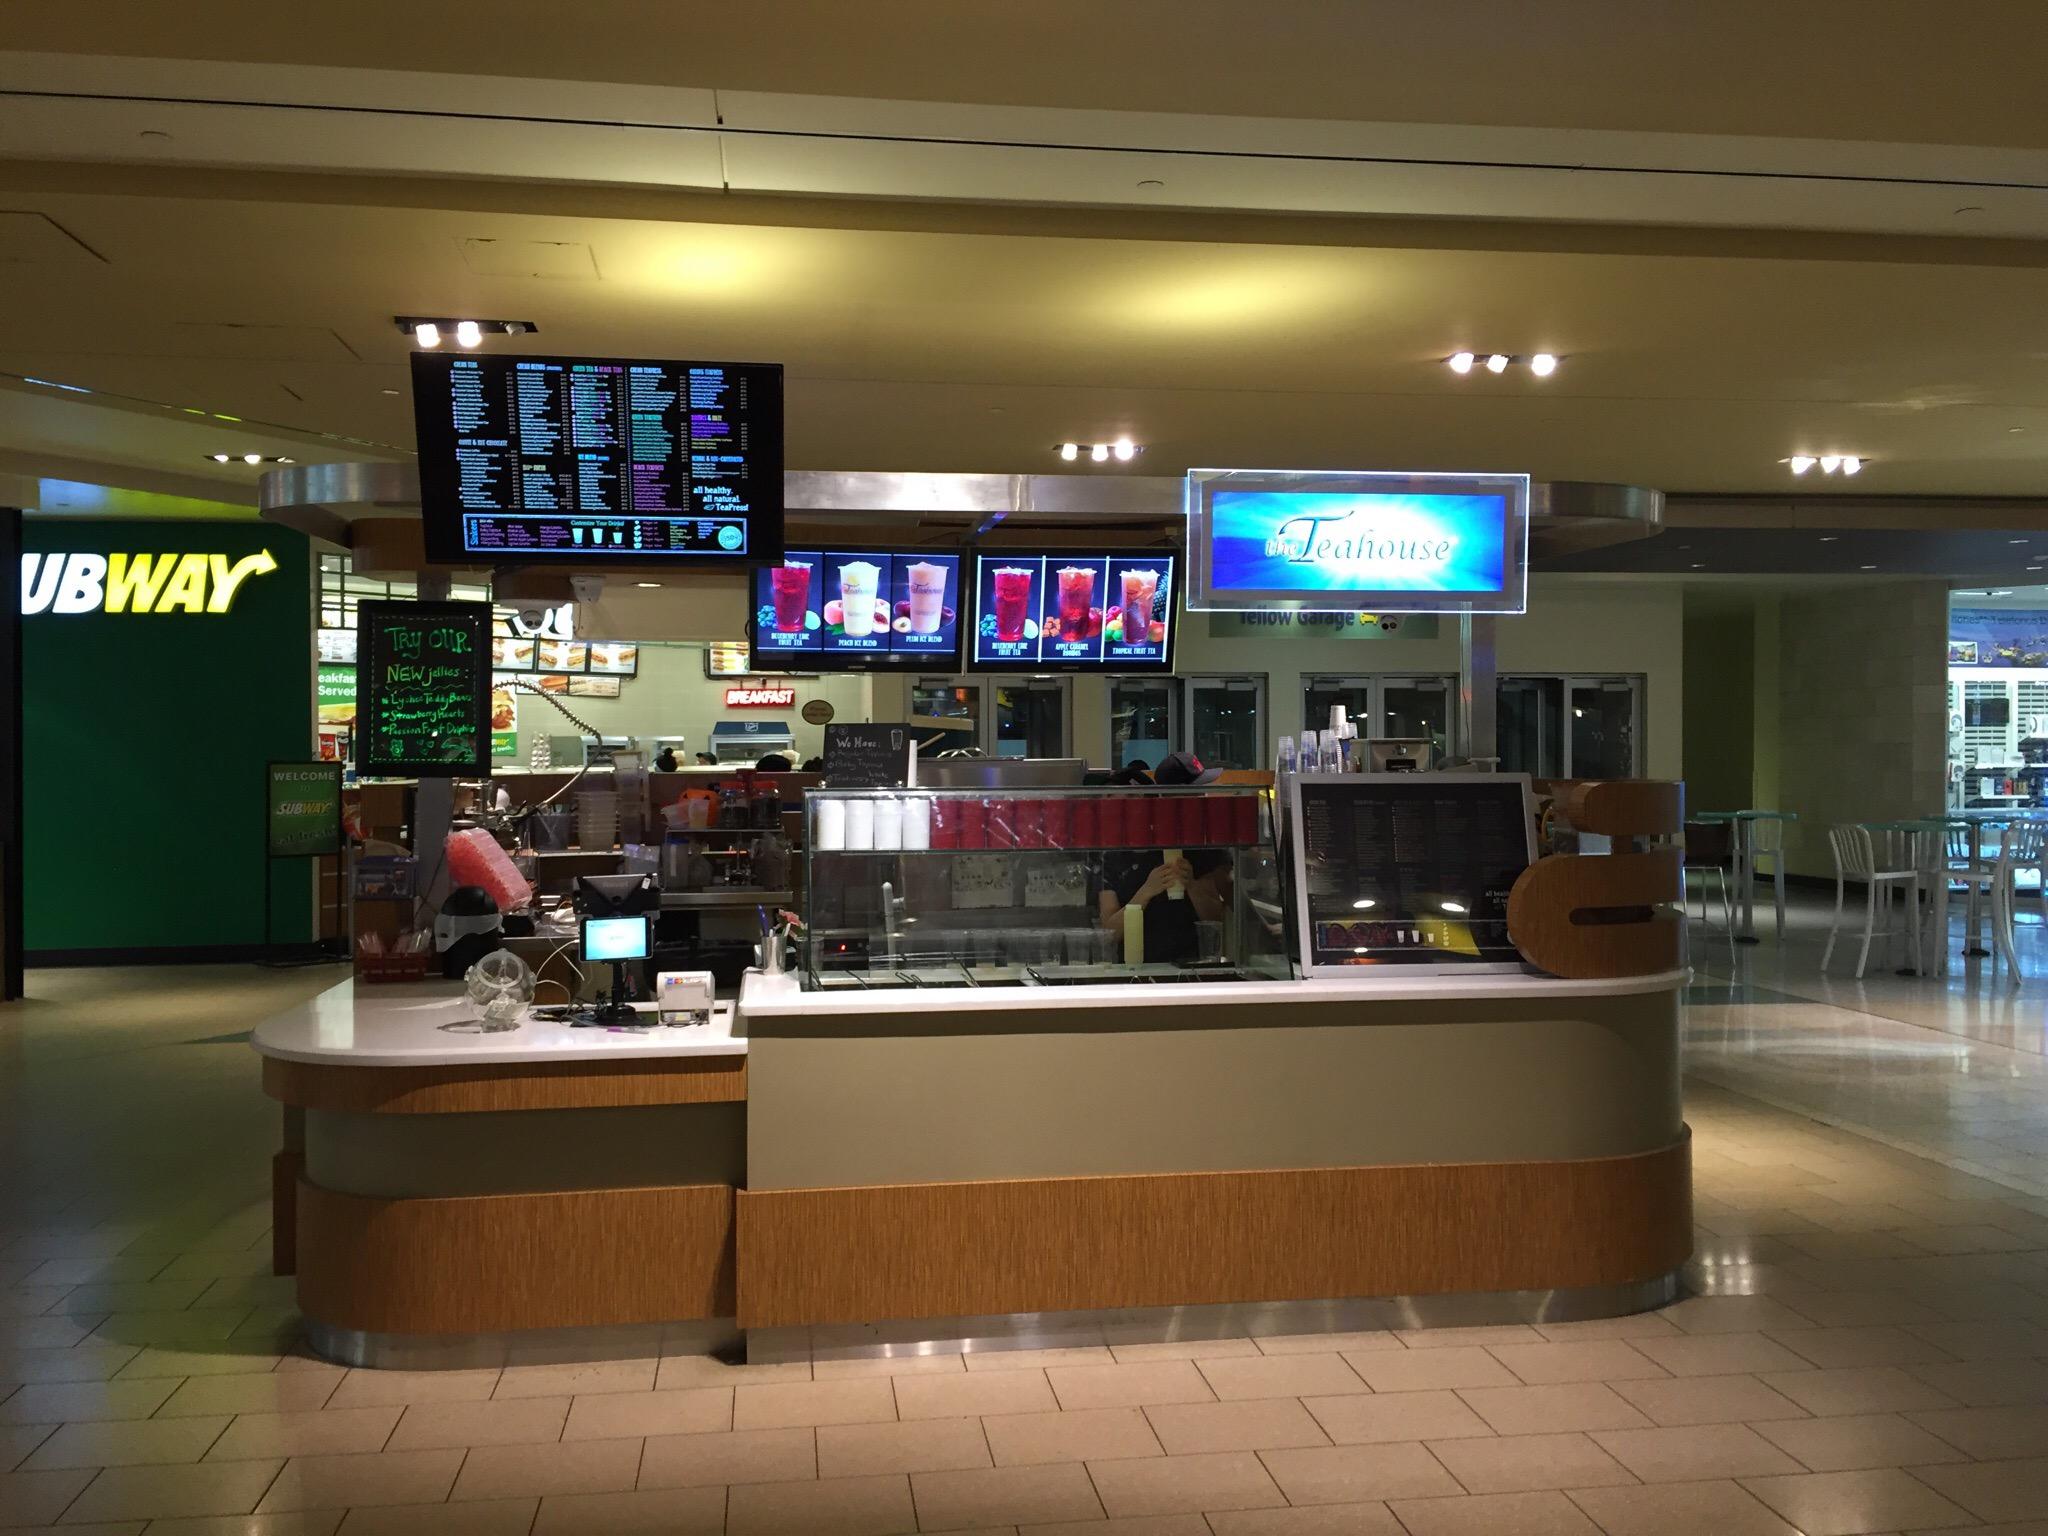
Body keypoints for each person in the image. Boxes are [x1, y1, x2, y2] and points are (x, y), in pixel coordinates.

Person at [1097, 750, 1230, 963]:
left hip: (1191, 964)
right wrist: (1147, 890)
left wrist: (1192, 884)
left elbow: (1217, 920)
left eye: (1132, 799)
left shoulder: (1198, 847)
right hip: (1135, 967)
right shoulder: (1111, 857)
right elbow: (1110, 934)